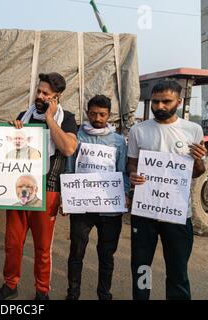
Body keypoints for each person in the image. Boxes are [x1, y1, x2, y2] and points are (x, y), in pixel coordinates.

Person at [0, 72, 78, 300]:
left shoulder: (66, 118)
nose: (39, 96)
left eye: (45, 93)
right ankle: (10, 285)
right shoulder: (24, 115)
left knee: (43, 248)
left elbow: (68, 148)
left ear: (56, 97)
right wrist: (14, 131)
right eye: (38, 91)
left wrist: (49, 118)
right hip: (19, 189)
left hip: (48, 189)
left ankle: (42, 291)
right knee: (13, 243)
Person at [127, 80, 206, 300]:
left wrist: (199, 161)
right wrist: (133, 174)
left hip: (178, 214)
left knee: (177, 271)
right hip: (145, 213)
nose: (159, 106)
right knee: (142, 268)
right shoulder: (138, 130)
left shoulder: (193, 130)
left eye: (166, 101)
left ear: (179, 102)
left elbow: (196, 172)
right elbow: (131, 163)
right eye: (155, 101)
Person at [64, 94, 129, 300]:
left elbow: (122, 172)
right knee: (76, 253)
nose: (98, 118)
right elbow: (69, 168)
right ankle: (72, 294)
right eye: (93, 114)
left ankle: (104, 294)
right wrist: (68, 198)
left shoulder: (118, 141)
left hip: (109, 209)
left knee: (106, 255)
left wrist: (124, 194)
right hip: (82, 208)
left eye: (102, 114)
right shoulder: (77, 136)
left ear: (109, 115)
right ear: (87, 113)